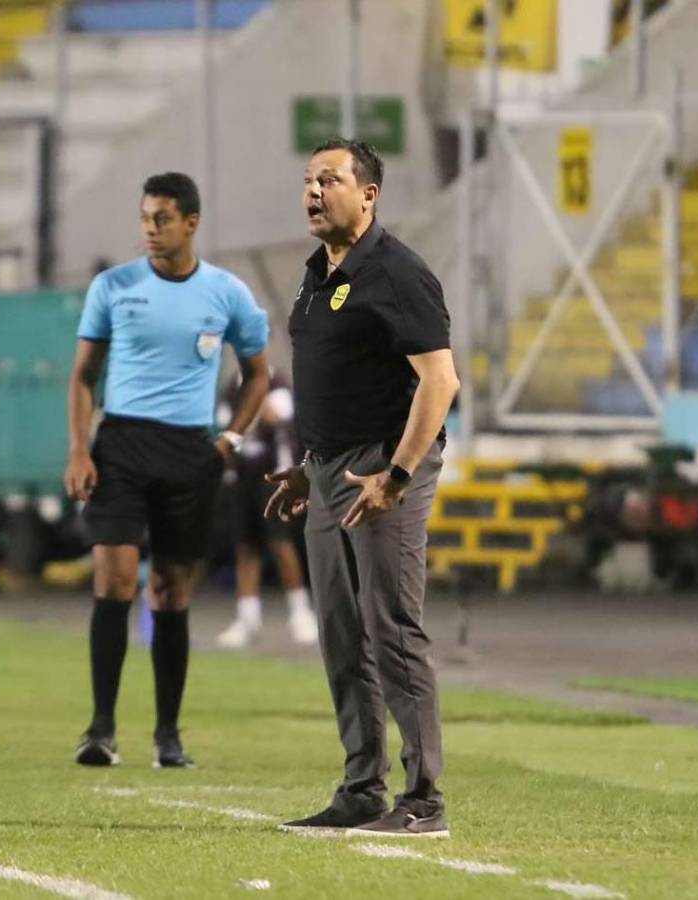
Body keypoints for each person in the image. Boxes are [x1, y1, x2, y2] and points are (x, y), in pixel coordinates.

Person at [265, 140, 460, 837]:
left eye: (331, 179)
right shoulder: (316, 273)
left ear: (369, 194)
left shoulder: (397, 273)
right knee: (342, 634)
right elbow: (330, 376)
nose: (314, 190)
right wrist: (304, 464)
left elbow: (441, 382)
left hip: (382, 467)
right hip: (327, 470)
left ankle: (425, 799)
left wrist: (399, 475)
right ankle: (360, 789)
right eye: (309, 179)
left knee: (391, 628)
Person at [65, 172, 271, 769]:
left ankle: (168, 735)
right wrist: (79, 449)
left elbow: (258, 373)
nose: (150, 230)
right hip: (121, 444)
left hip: (190, 452)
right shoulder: (113, 287)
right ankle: (101, 729)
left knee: (171, 592)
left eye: (162, 219)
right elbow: (82, 376)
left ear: (191, 222)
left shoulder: (227, 293)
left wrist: (231, 437)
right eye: (145, 219)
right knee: (116, 580)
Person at [216, 373, 317, 648]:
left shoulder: (277, 382)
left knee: (280, 543)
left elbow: (276, 416)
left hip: (272, 476)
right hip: (241, 476)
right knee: (245, 547)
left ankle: (300, 613)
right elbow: (226, 425)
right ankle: (247, 618)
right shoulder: (232, 386)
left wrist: (251, 399)